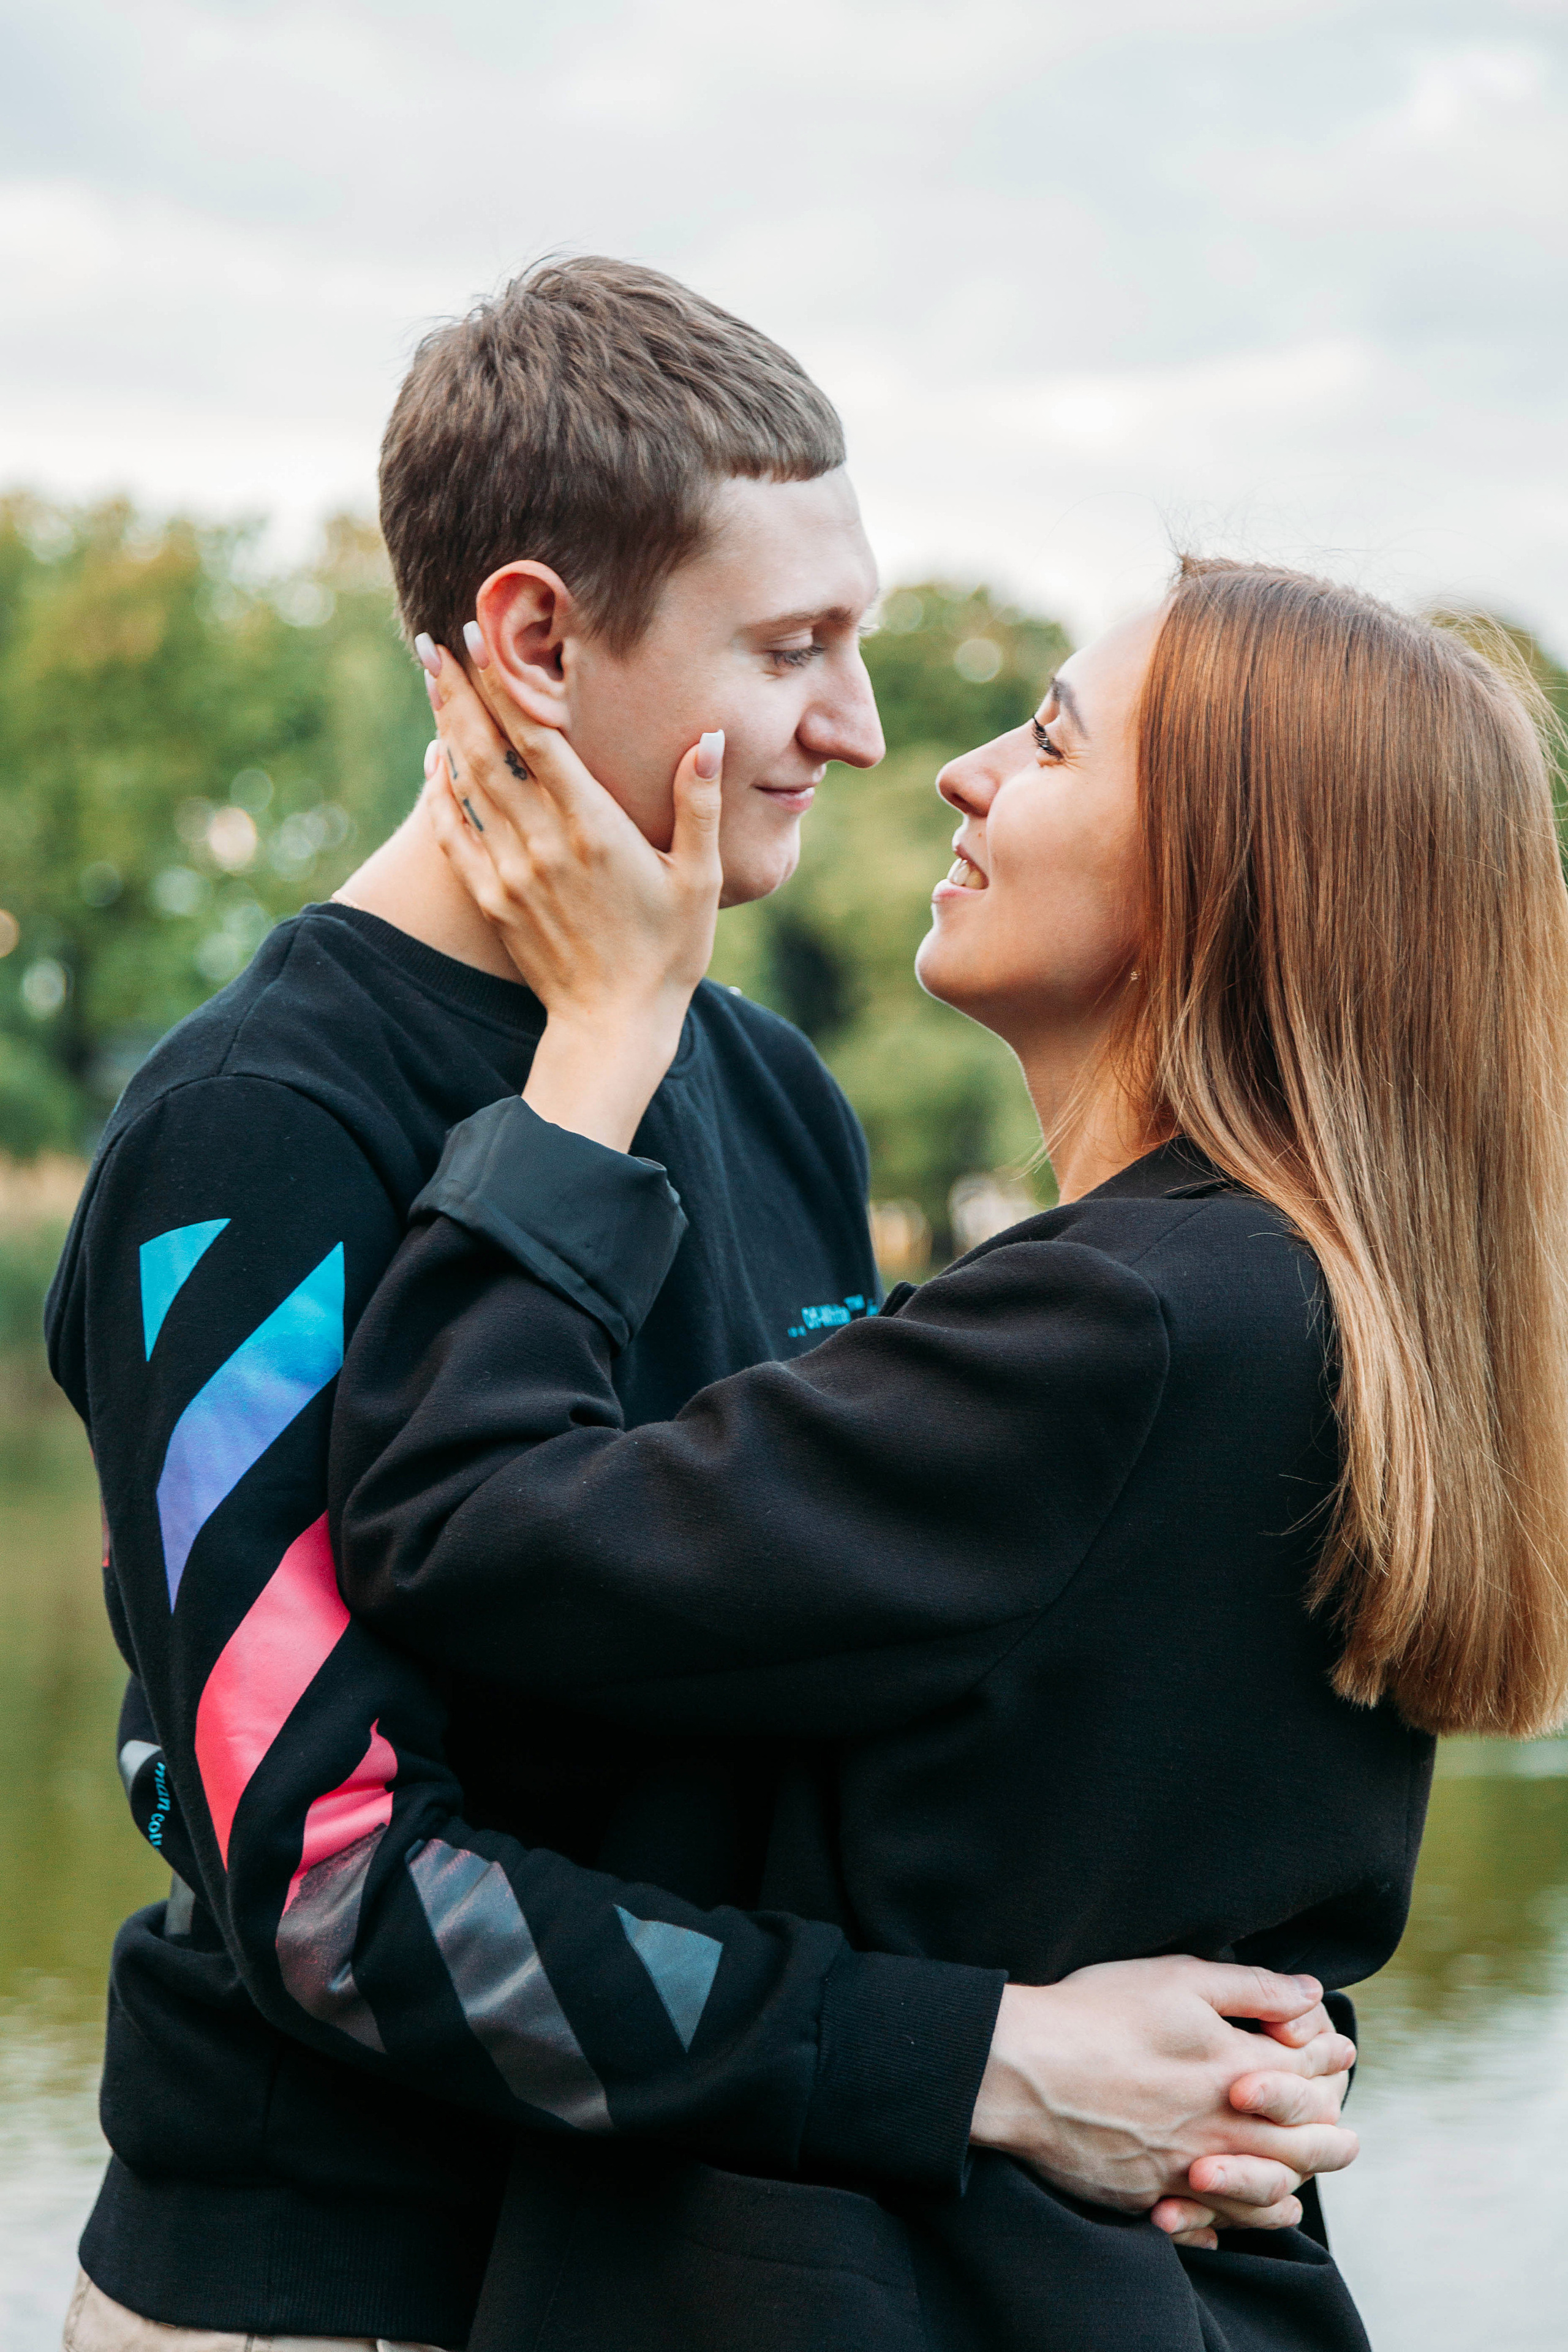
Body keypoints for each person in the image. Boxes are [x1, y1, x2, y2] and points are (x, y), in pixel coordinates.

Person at [47, 266, 1349, 2352]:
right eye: (790, 649)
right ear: (539, 644)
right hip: (328, 2292)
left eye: (859, 639)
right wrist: (990, 2064)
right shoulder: (246, 1134)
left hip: (692, 2279)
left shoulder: (770, 1090)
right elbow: (324, 1882)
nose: (860, 727)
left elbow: (802, 1706)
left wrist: (1209, 2054)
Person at [330, 556, 1568, 2352]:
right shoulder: (1304, 1305)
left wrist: (597, 1052)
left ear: (1206, 884)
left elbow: (459, 1535)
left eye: (1052, 743)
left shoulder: (1135, 1325)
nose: (962, 770)